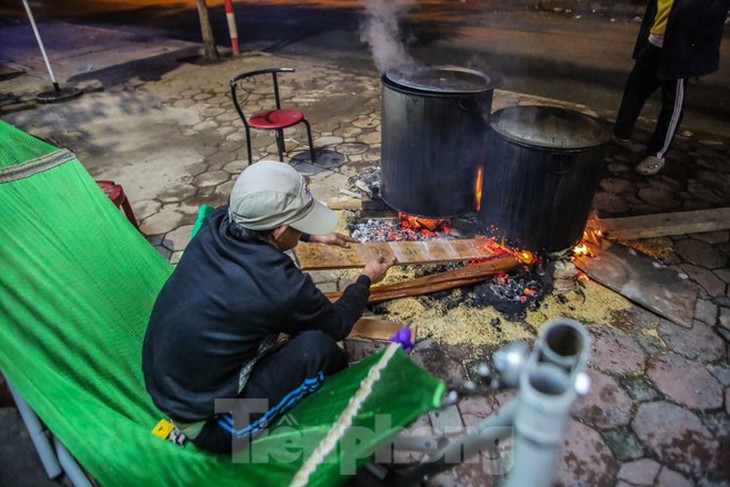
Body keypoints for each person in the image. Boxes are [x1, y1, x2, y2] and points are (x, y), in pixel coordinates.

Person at [142, 160, 394, 454]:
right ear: (279, 231)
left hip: (167, 384)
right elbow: (338, 324)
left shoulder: (217, 224)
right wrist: (365, 279)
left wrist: (313, 235)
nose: (303, 231)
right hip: (211, 421)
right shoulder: (280, 285)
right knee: (320, 348)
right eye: (299, 226)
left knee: (284, 331)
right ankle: (327, 418)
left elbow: (263, 223)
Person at [613, 0, 729, 176]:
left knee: (673, 105)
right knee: (634, 90)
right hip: (654, 43)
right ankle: (621, 134)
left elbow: (710, 16)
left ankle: (657, 154)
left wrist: (695, 53)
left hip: (679, 51)